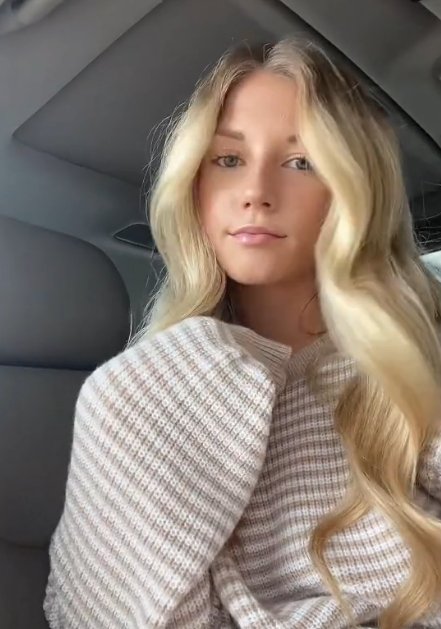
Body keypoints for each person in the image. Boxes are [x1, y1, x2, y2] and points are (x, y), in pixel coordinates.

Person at [43, 38, 441, 629]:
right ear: (194, 184)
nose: (256, 192)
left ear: (354, 189)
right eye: (228, 159)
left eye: (301, 162)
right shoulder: (136, 393)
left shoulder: (418, 359)